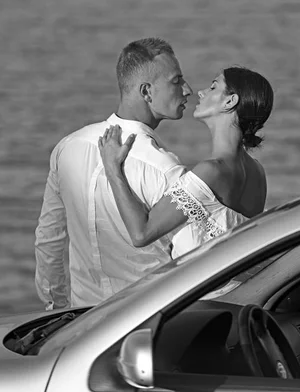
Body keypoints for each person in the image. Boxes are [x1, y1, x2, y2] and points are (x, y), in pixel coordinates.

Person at [34, 37, 192, 309]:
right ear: (146, 92)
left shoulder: (68, 147)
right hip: (148, 321)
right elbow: (195, 259)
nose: (188, 90)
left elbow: (49, 240)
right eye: (177, 81)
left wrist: (56, 309)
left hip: (83, 322)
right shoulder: (164, 168)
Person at [99, 66, 274, 258]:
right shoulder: (257, 172)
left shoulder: (211, 171)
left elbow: (141, 234)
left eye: (213, 87)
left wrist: (113, 169)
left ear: (230, 101)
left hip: (210, 287)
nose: (201, 92)